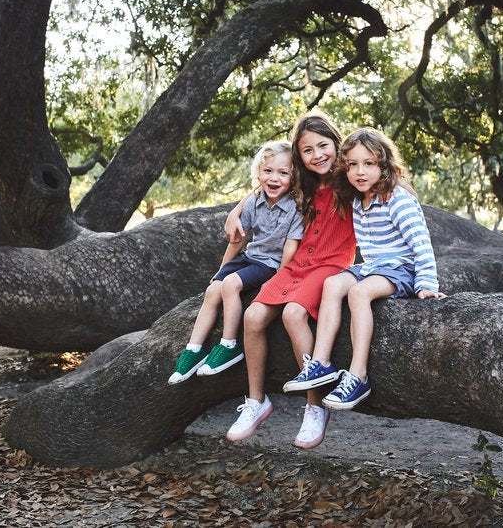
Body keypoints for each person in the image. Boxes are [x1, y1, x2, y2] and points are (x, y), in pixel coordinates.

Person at [283, 127, 445, 412]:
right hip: (373, 267)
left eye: (369, 164)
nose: (360, 171)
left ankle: (358, 375)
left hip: (400, 269)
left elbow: (421, 243)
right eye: (353, 165)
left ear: (384, 166)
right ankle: (320, 363)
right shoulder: (358, 200)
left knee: (358, 293)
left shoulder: (396, 199)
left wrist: (426, 283)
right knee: (332, 284)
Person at [224, 111, 356, 449]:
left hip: (330, 264)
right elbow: (263, 186)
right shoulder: (303, 184)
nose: (318, 155)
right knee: (252, 316)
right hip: (295, 264)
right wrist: (235, 212)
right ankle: (256, 402)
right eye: (307, 151)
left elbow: (382, 177)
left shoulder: (349, 180)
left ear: (336, 144)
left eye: (323, 146)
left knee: (293, 313)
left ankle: (314, 406)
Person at [167, 140, 302, 385]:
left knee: (230, 284)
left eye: (283, 173)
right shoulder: (253, 201)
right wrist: (221, 269)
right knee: (213, 289)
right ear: (258, 173)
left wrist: (279, 280)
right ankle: (193, 349)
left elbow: (291, 248)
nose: (274, 178)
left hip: (269, 265)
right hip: (249, 257)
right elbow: (238, 240)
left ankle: (229, 345)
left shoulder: (296, 208)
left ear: (294, 177)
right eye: (268, 171)